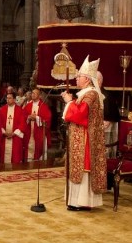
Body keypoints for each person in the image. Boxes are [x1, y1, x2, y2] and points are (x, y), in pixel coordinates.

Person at [62, 56, 106, 211]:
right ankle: (76, 201)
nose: (76, 78)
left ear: (87, 79)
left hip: (86, 139)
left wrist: (69, 102)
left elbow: (81, 114)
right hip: (79, 137)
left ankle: (83, 201)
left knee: (83, 169)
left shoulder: (91, 94)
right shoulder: (85, 93)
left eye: (79, 76)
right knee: (77, 169)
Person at [23, 88, 52, 162]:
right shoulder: (28, 106)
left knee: (39, 153)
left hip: (39, 132)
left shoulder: (43, 106)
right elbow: (23, 117)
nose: (33, 94)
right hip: (29, 132)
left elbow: (47, 120)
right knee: (29, 151)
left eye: (35, 93)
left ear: (39, 96)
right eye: (32, 93)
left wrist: (37, 118)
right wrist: (28, 117)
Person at [97, 71, 121, 157]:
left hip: (105, 127)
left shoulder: (107, 95)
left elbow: (111, 114)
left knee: (104, 151)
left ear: (99, 81)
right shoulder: (90, 93)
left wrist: (107, 120)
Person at [0, 93, 26, 164]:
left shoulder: (20, 110)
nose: (8, 100)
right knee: (4, 158)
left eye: (10, 98)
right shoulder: (2, 110)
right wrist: (4, 132)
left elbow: (22, 123)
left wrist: (14, 133)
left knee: (15, 158)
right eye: (7, 98)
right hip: (5, 137)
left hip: (15, 138)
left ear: (14, 99)